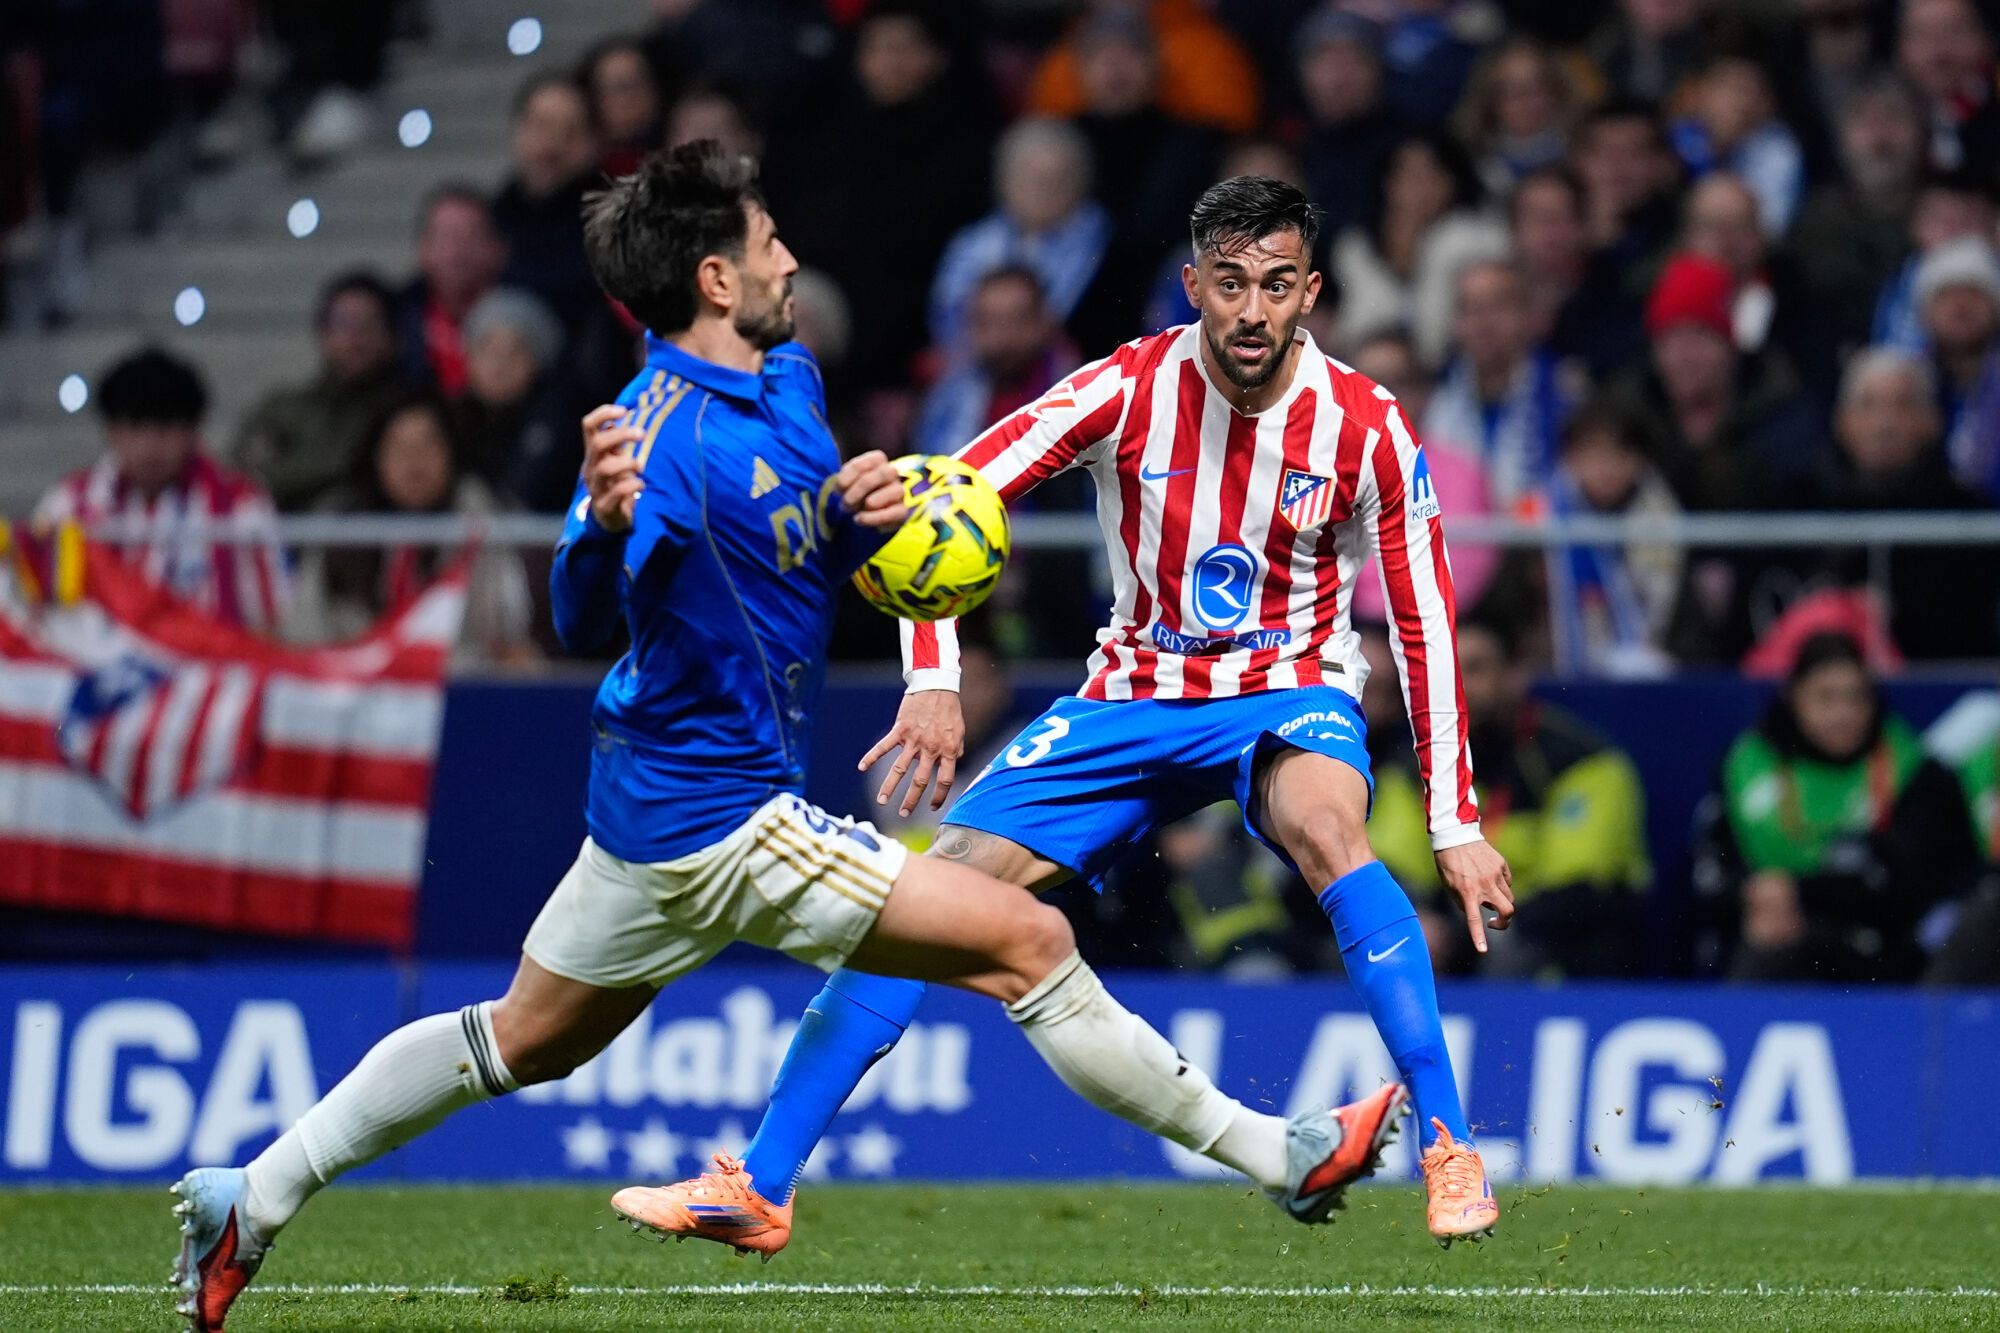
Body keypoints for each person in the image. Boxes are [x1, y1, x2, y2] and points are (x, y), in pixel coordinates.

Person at [170, 143, 1408, 1331]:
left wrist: (851, 514)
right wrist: (601, 528)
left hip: (648, 819)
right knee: (1028, 937)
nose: (788, 255)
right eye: (766, 240)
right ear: (716, 277)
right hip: (722, 817)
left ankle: (255, 1195)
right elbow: (576, 616)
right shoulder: (653, 440)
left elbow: (796, 543)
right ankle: (1280, 1154)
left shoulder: (790, 380)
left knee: (520, 1038)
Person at [641, 175, 1515, 1253]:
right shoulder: (1125, 386)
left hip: (1287, 688)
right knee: (918, 901)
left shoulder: (1366, 425)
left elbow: (1423, 621)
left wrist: (1454, 825)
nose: (1251, 311)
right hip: (1130, 693)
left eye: (1276, 286)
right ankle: (761, 1183)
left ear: (1310, 293)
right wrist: (932, 677)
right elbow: (948, 493)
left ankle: (1447, 1143)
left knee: (1331, 828)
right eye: (1230, 284)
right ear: (1193, 284)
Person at [1694, 632, 1978, 982]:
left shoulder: (1915, 771)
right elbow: (1710, 872)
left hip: (1889, 953)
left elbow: (1905, 887)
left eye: (1856, 697)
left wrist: (1796, 893)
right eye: (1826, 698)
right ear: (1793, 697)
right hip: (1766, 931)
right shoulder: (1747, 766)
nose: (1844, 715)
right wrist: (1754, 896)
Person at [1378, 615, 1650, 978]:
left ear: (1514, 676)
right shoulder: (1409, 765)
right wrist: (1418, 918)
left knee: (1511, 952)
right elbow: (1393, 862)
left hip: (1560, 947)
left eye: (1475, 669)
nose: (1459, 688)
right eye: (1447, 672)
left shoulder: (1582, 761)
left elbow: (1575, 889)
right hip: (1457, 939)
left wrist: (1468, 930)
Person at [35, 348, 286, 633]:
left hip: (205, 666)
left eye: (165, 428)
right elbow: (40, 614)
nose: (150, 446)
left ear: (193, 432)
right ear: (112, 432)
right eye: (136, 427)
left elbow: (268, 623)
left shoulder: (241, 505)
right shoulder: (68, 503)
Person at [289, 394, 538, 667]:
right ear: (375, 457)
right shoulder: (341, 526)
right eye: (399, 447)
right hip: (353, 693)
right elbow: (306, 632)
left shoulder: (483, 523)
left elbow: (504, 636)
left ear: (451, 453)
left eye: (427, 446)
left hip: (457, 686)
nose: (414, 461)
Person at [927, 118, 1110, 359]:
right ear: (1005, 181)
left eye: (1057, 178)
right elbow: (945, 317)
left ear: (1080, 183)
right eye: (1029, 176)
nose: (1042, 189)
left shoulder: (1104, 247)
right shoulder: (971, 242)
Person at [1535, 401, 1695, 676]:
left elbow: (1686, 631)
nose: (1606, 466)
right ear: (1569, 458)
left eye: (1620, 452)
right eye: (1592, 452)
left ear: (1642, 459)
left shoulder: (1668, 522)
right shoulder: (1538, 524)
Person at [231, 271, 406, 513]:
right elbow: (246, 479)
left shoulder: (410, 413)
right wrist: (342, 463)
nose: (356, 336)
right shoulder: (284, 409)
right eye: (344, 322)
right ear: (323, 333)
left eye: (370, 323)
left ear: (392, 337)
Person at [1330, 129, 1508, 362]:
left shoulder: (1479, 239)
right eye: (1407, 175)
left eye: (1430, 174)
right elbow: (1350, 331)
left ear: (1453, 181)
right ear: (1387, 183)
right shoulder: (1356, 249)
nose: (1418, 188)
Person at [1422, 258, 1579, 508]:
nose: (1484, 324)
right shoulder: (1435, 399)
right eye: (1471, 309)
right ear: (1456, 323)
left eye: (1498, 306)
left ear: (1525, 314)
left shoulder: (1567, 391)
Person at [915, 266, 1078, 457]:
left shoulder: (1081, 396)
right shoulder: (948, 400)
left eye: (1017, 320)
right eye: (987, 323)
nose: (1000, 339)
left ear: (1044, 322)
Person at [449, 287, 577, 513]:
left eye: (516, 350)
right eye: (487, 347)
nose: (500, 363)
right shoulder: (445, 419)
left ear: (538, 362)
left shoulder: (561, 424)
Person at [1293, 8, 1409, 240]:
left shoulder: (1407, 145)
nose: (1342, 74)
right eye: (1327, 59)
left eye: (1356, 58)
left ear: (1378, 71)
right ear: (1303, 71)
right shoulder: (1282, 141)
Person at [1668, 53, 1805, 236]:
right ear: (1701, 92)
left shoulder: (1778, 152)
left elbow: (1770, 231)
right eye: (1732, 87)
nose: (1741, 101)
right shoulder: (1672, 139)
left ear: (1768, 103)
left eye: (1753, 91)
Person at [393, 187, 507, 396]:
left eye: (471, 236)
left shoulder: (525, 324)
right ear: (423, 247)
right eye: (446, 237)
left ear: (497, 249)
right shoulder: (392, 322)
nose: (458, 251)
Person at [1910, 239, 2000, 497]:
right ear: (1924, 311)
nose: (1960, 305)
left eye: (1973, 292)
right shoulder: (1905, 386)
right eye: (1946, 294)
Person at [1453, 37, 1576, 198]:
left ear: (1557, 89)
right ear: (1490, 100)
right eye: (1511, 90)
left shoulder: (1584, 153)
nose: (1526, 99)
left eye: (1537, 85)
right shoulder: (1466, 167)